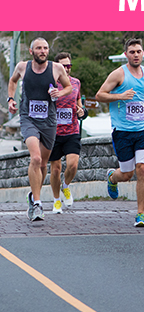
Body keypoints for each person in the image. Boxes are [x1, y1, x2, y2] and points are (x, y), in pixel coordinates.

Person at [96, 38, 144, 228]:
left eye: (139, 51)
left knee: (142, 169)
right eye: (132, 52)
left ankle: (140, 214)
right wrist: (119, 96)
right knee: (127, 174)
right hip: (123, 131)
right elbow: (100, 95)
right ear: (126, 54)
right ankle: (112, 177)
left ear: (143, 53)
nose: (136, 55)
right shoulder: (118, 74)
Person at [8, 37, 72, 221]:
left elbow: (68, 87)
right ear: (31, 51)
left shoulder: (56, 68)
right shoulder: (22, 67)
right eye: (38, 48)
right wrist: (11, 99)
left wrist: (59, 93)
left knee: (43, 164)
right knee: (35, 158)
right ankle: (37, 204)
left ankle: (32, 195)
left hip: (49, 121)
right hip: (28, 118)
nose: (42, 51)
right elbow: (12, 81)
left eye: (45, 48)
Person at [48, 52, 87, 214]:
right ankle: (56, 201)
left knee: (72, 164)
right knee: (55, 169)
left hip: (72, 130)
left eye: (69, 66)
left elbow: (79, 104)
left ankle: (66, 185)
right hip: (53, 133)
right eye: (64, 66)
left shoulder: (75, 83)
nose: (67, 69)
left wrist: (80, 110)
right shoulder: (49, 83)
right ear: (56, 66)